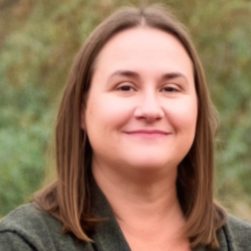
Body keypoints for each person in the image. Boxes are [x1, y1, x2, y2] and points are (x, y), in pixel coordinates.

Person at [0, 4, 250, 251]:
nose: (150, 110)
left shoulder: (242, 242)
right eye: (125, 87)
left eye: (170, 88)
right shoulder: (24, 243)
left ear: (198, 110)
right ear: (81, 109)